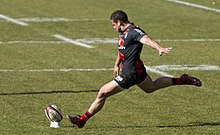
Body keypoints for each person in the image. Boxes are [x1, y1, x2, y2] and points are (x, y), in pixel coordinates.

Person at [66, 10, 202, 128]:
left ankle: (81, 120)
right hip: (136, 70)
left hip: (130, 73)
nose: (114, 27)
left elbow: (147, 40)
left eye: (114, 25)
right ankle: (180, 80)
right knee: (151, 87)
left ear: (119, 22)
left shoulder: (134, 32)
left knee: (102, 92)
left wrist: (159, 48)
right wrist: (116, 63)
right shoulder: (124, 32)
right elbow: (123, 49)